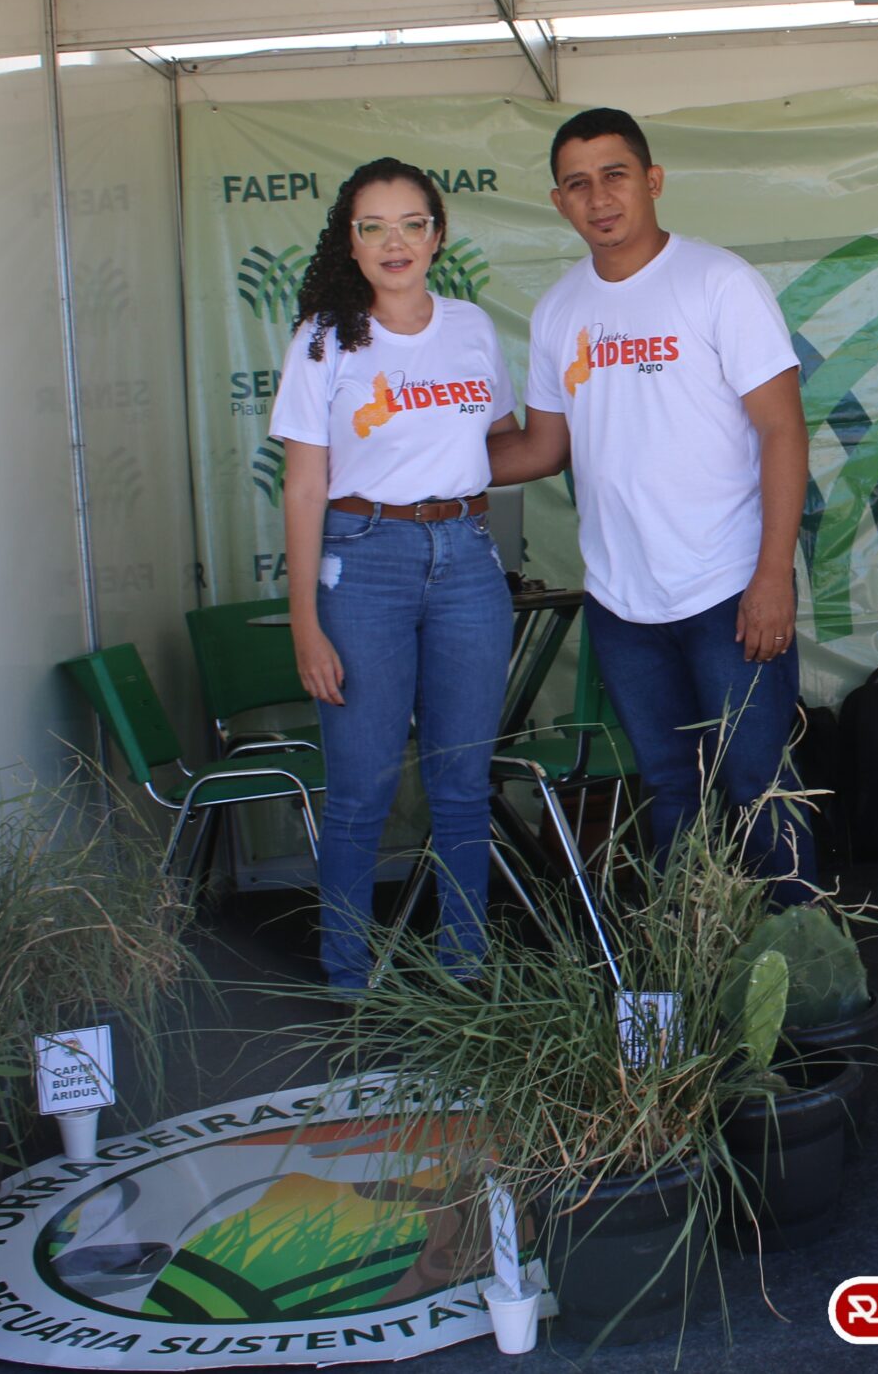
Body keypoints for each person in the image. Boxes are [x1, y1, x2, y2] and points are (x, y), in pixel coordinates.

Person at [489, 108, 814, 901]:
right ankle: (696, 962)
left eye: (615, 175)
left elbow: (783, 429)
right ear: (559, 202)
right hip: (623, 603)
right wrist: (410, 465)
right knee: (673, 791)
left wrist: (773, 574)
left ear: (653, 180)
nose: (598, 197)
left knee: (758, 788)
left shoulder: (717, 281)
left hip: (730, 586)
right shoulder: (559, 310)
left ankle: (807, 963)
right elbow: (541, 448)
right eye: (577, 184)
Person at [269, 158, 517, 995]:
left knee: (462, 784)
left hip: (467, 558)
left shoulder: (472, 327)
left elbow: (499, 441)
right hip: (363, 558)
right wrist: (305, 621)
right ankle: (349, 975)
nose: (394, 241)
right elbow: (304, 486)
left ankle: (463, 969)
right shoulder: (324, 337)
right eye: (373, 226)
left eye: (412, 223)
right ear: (350, 241)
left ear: (438, 236)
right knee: (361, 788)